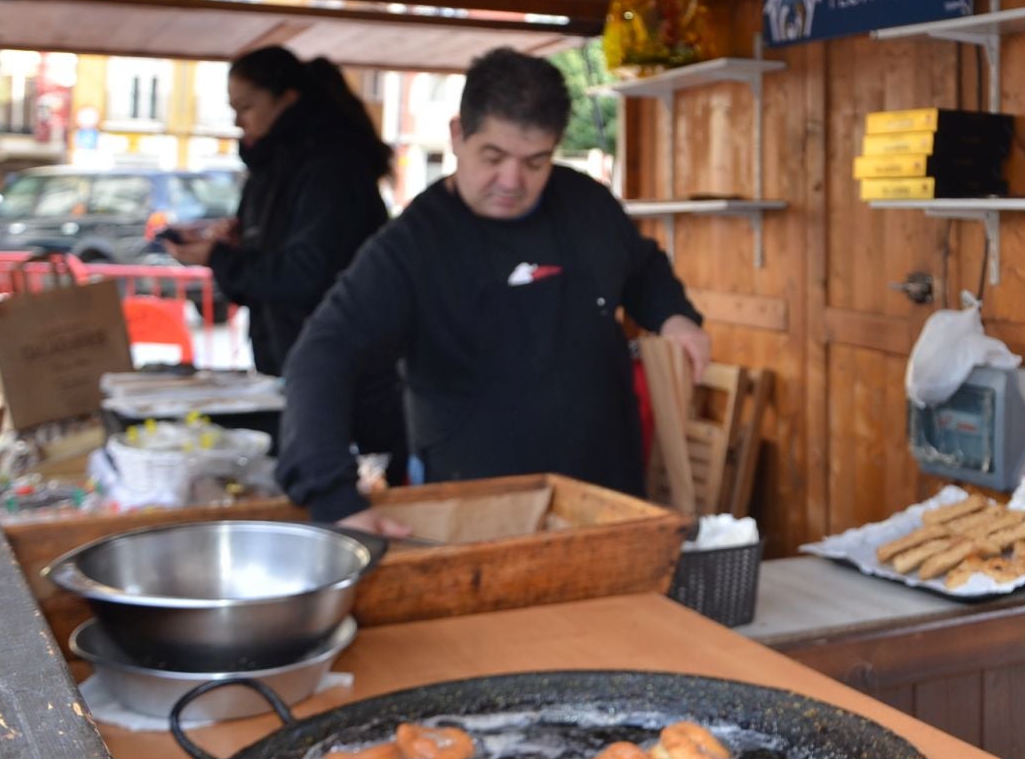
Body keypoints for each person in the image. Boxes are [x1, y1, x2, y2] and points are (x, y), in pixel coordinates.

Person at [276, 47, 710, 533]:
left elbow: (641, 266)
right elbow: (322, 354)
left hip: (607, 493)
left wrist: (676, 317)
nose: (512, 181)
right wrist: (333, 497)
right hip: (476, 503)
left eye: (535, 161)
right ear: (458, 135)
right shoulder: (413, 245)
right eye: (493, 156)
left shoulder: (585, 203)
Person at [166, 46, 408, 479]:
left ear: (288, 99)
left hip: (341, 371)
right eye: (234, 109)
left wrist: (221, 258)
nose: (239, 121)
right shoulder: (273, 168)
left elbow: (306, 273)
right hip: (289, 360)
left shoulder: (328, 169)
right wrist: (233, 251)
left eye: (247, 107)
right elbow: (272, 269)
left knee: (338, 484)